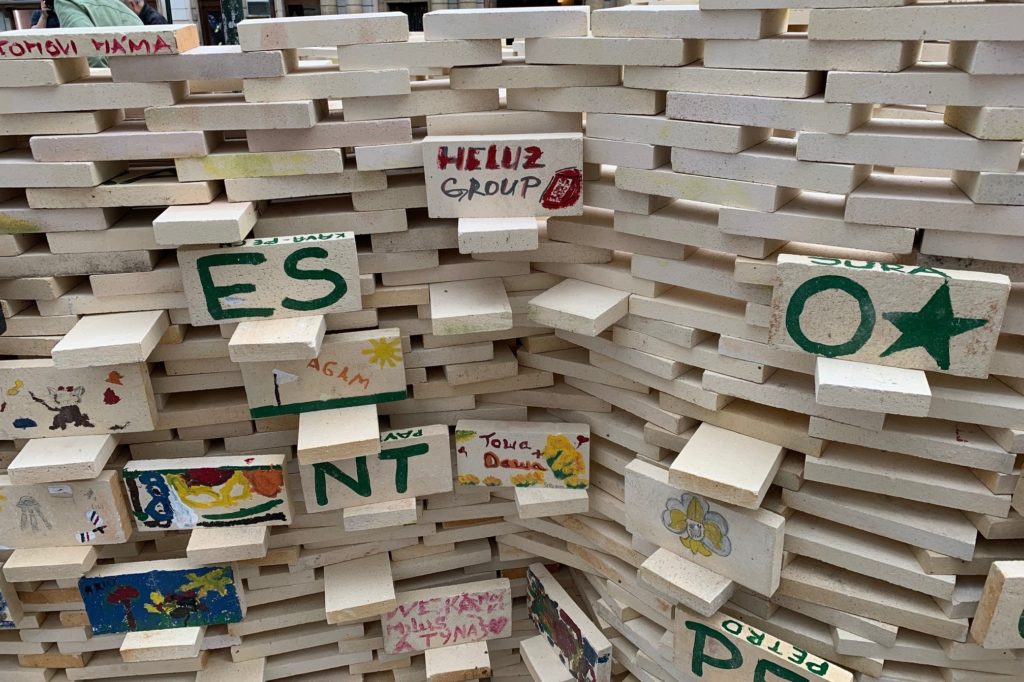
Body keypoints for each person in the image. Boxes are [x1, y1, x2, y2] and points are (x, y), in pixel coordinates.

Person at [54, 0, 143, 66]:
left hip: (104, 81)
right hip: (137, 79)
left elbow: (91, 53)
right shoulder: (128, 12)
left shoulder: (65, 2)